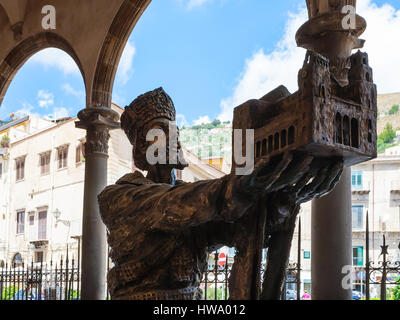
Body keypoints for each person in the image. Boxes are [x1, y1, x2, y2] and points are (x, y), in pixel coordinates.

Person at [98, 87, 343, 300]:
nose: (172, 138)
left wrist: (284, 200)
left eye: (174, 131)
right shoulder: (118, 197)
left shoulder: (194, 199)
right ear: (141, 150)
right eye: (160, 132)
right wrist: (235, 186)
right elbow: (170, 206)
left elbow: (240, 226)